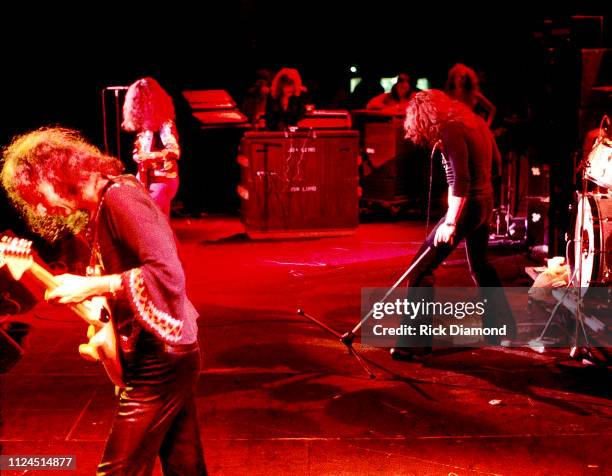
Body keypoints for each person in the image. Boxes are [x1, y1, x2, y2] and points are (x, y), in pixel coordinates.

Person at [1, 128, 207, 475]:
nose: (39, 208)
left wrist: (92, 286)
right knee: (184, 463)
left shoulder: (121, 198)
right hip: (160, 350)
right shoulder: (99, 208)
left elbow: (167, 273)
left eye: (36, 194)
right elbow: (112, 299)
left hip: (162, 357)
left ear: (54, 174)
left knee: (118, 469)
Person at [389, 90, 516, 361]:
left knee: (421, 268)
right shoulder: (476, 122)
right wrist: (486, 203)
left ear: (423, 118)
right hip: (484, 201)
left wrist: (450, 222)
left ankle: (414, 343)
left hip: (467, 206)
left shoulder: (450, 129)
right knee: (481, 265)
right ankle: (501, 328)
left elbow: (461, 180)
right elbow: (496, 166)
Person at [122, 77, 180, 218]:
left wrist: (149, 156)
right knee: (155, 224)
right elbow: (141, 149)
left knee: (155, 222)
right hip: (146, 179)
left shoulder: (165, 124)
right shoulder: (145, 127)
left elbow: (174, 151)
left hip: (162, 179)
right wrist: (137, 154)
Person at [445, 63, 496, 128]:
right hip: (454, 127)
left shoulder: (473, 94)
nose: (459, 79)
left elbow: (492, 109)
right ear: (453, 78)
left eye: (463, 77)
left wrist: (487, 125)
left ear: (467, 79)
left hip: (469, 127)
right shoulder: (449, 94)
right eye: (457, 76)